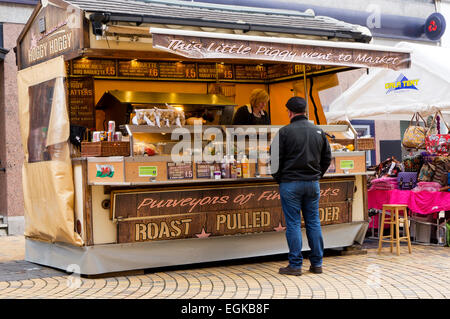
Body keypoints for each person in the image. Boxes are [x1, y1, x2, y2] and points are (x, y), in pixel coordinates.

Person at [270, 96, 332, 276]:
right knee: (313, 222)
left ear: (289, 112)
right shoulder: (318, 131)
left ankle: (295, 265)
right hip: (312, 184)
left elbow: (274, 161)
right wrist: (317, 174)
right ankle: (317, 264)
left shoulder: (284, 132)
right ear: (305, 111)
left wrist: (280, 178)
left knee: (294, 224)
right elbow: (327, 158)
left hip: (290, 184)